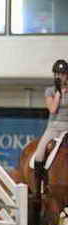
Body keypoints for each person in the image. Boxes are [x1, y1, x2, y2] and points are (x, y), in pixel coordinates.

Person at [32, 59, 68, 200]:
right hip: (53, 127)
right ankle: (38, 188)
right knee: (39, 154)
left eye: (62, 74)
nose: (59, 77)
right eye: (57, 74)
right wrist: (59, 93)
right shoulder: (50, 91)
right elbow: (53, 109)